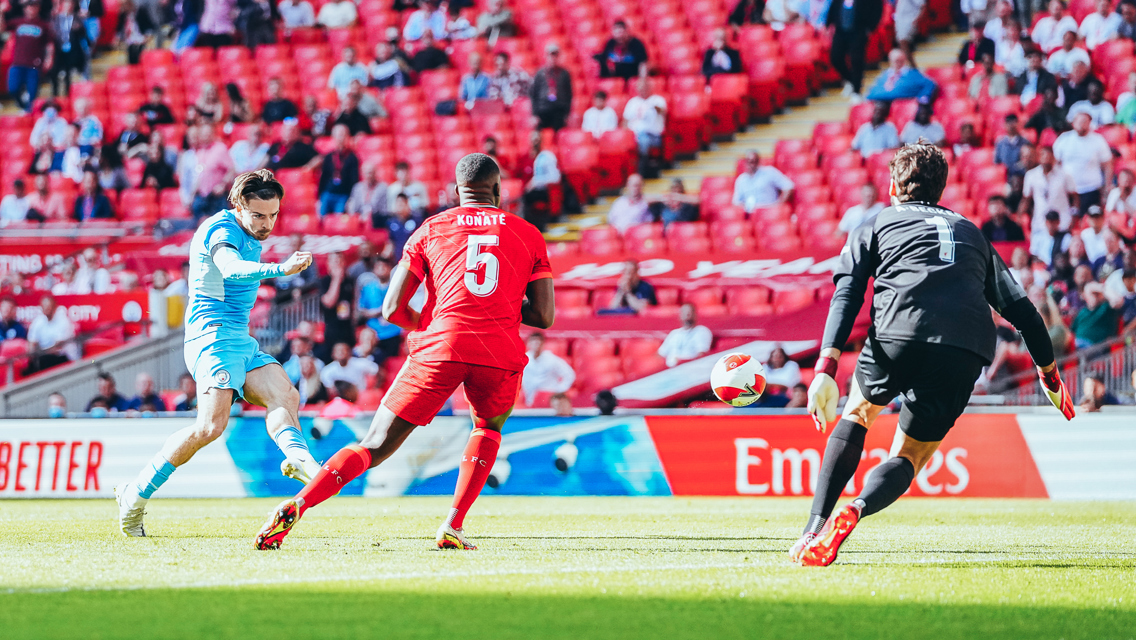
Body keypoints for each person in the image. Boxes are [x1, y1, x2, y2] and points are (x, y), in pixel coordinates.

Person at [254, 152, 554, 552]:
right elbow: (544, 315)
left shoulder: (430, 229)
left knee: (374, 444)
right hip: (497, 351)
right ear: (498, 191)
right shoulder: (528, 234)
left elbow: (391, 309)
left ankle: (299, 503)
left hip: (441, 344)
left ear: (456, 192)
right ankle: (453, 524)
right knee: (486, 429)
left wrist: (434, 323)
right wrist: (497, 305)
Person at [795, 143, 1072, 567]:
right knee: (909, 456)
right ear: (940, 190)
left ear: (892, 186)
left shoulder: (877, 222)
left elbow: (848, 291)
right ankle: (858, 508)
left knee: (858, 413)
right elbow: (1025, 314)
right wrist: (1050, 375)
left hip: (897, 333)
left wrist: (826, 366)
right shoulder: (971, 232)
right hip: (965, 348)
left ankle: (813, 528)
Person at [115, 170, 322, 537]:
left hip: (239, 338)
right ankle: (135, 495)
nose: (266, 224)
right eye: (258, 215)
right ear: (237, 206)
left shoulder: (248, 230)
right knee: (210, 427)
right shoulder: (221, 229)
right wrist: (280, 269)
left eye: (273, 215)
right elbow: (229, 267)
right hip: (211, 337)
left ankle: (298, 459)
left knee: (285, 394)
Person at [1054, 112, 1113, 213]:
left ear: (1090, 123)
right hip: (1068, 190)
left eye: (1085, 121)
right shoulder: (1064, 139)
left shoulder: (1098, 140)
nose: (1081, 124)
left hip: (1091, 190)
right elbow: (1055, 163)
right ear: (1073, 123)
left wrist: (1107, 186)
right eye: (1079, 121)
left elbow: (1108, 165)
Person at [827, 0, 883, 103]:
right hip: (840, 31)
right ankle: (850, 80)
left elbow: (877, 8)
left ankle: (857, 91)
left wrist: (871, 27)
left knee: (857, 60)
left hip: (858, 30)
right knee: (835, 58)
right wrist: (828, 23)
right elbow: (833, 8)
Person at [7, 1, 56, 112]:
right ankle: (22, 104)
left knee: (33, 93)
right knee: (12, 88)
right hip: (18, 62)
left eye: (34, 6)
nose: (31, 9)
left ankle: (29, 113)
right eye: (29, 6)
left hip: (34, 64)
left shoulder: (43, 25)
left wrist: (49, 58)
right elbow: (2, 27)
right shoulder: (18, 22)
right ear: (25, 9)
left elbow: (50, 44)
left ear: (38, 8)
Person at [1021, 145, 1077, 234]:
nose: (1046, 158)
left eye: (1048, 155)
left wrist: (1074, 217)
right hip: (1040, 222)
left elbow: (1075, 198)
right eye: (1043, 155)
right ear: (1038, 157)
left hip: (1062, 221)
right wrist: (1019, 216)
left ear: (1053, 157)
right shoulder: (1031, 175)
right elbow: (1026, 199)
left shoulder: (1065, 175)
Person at [25, 293, 79, 374]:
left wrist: (40, 353)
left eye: (49, 306)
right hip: (44, 356)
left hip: (65, 356)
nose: (47, 309)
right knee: (29, 367)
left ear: (55, 307)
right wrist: (33, 354)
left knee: (44, 360)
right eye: (44, 307)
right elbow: (31, 342)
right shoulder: (38, 321)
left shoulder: (64, 321)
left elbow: (57, 348)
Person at [190, 125, 236, 221]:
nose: (205, 136)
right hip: (202, 196)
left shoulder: (220, 149)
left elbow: (231, 170)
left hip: (217, 197)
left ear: (212, 134)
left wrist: (223, 185)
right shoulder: (200, 151)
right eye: (203, 134)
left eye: (207, 134)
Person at [623, 77, 667, 172]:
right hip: (634, 135)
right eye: (640, 88)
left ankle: (642, 168)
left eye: (645, 87)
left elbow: (663, 112)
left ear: (649, 87)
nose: (642, 90)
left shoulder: (657, 100)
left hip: (653, 135)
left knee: (643, 139)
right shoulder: (632, 102)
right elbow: (625, 121)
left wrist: (653, 107)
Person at [519, 131, 560, 231]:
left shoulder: (546, 157)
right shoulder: (525, 158)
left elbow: (555, 177)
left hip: (543, 190)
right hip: (529, 191)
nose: (535, 142)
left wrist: (535, 182)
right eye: (533, 140)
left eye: (537, 140)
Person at [317, 124, 360, 216]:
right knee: (321, 217)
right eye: (338, 135)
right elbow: (324, 176)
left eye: (343, 135)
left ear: (348, 137)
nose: (340, 138)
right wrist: (319, 196)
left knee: (338, 219)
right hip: (328, 193)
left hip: (343, 195)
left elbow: (354, 179)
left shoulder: (352, 157)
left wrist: (351, 197)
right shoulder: (329, 157)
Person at [521, 332, 575, 404]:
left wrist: (559, 390)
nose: (536, 344)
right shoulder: (522, 360)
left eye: (538, 341)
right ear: (528, 344)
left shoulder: (552, 359)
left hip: (548, 398)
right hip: (529, 399)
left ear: (543, 344)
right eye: (533, 341)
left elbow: (569, 374)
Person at [865, 49, 936, 103]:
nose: (899, 63)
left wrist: (923, 97)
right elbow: (874, 90)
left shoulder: (912, 73)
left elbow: (929, 83)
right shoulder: (884, 75)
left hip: (903, 102)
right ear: (890, 61)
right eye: (896, 61)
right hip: (881, 101)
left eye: (901, 61)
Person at [530, 44, 572, 131]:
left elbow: (569, 95)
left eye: (555, 55)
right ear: (546, 56)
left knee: (559, 136)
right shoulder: (540, 73)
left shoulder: (564, 73)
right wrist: (534, 114)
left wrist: (567, 113)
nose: (553, 58)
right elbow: (534, 94)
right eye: (551, 55)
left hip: (559, 110)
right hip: (543, 110)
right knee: (539, 136)